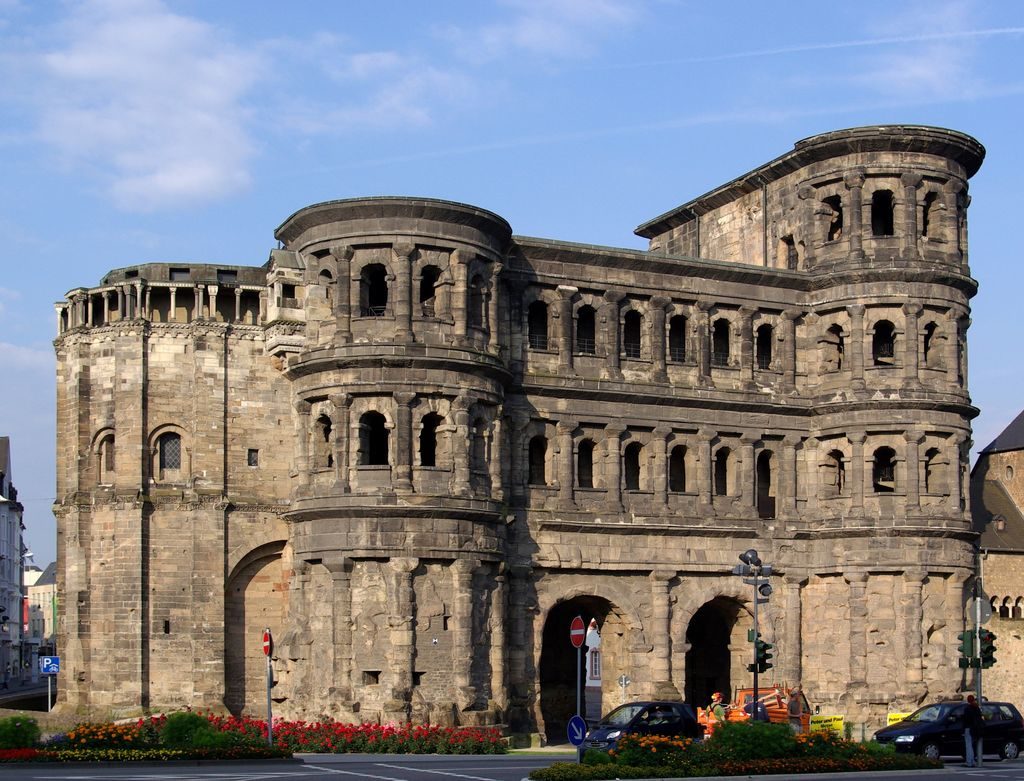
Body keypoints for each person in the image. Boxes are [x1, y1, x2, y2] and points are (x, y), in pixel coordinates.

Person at [963, 694, 984, 767]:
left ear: (968, 700)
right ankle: (973, 761)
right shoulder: (977, 708)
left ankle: (969, 761)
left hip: (969, 728)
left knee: (968, 746)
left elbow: (966, 719)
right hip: (976, 729)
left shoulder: (967, 709)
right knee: (972, 745)